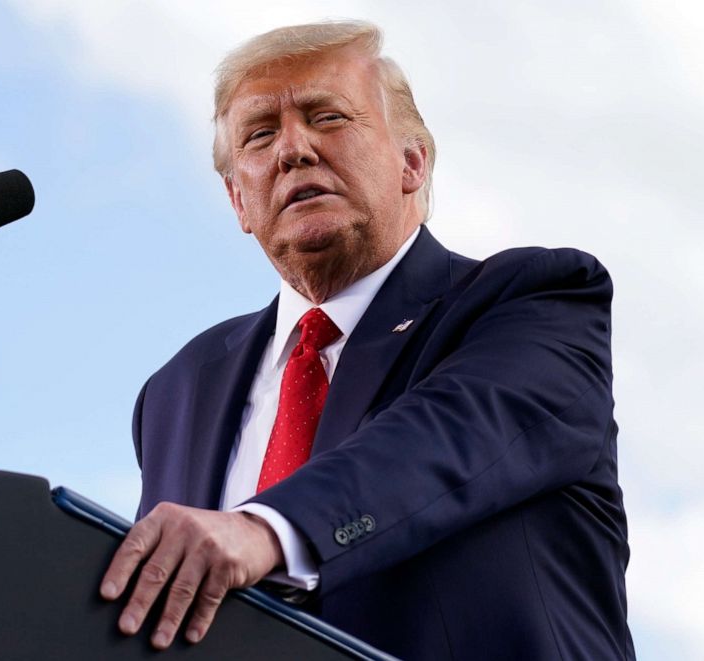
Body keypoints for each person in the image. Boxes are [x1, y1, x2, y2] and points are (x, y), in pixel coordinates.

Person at [100, 20, 633, 660]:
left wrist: (266, 530)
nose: (292, 150)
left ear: (413, 162)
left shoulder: (533, 301)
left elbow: (443, 438)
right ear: (239, 199)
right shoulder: (179, 390)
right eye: (260, 134)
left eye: (327, 118)